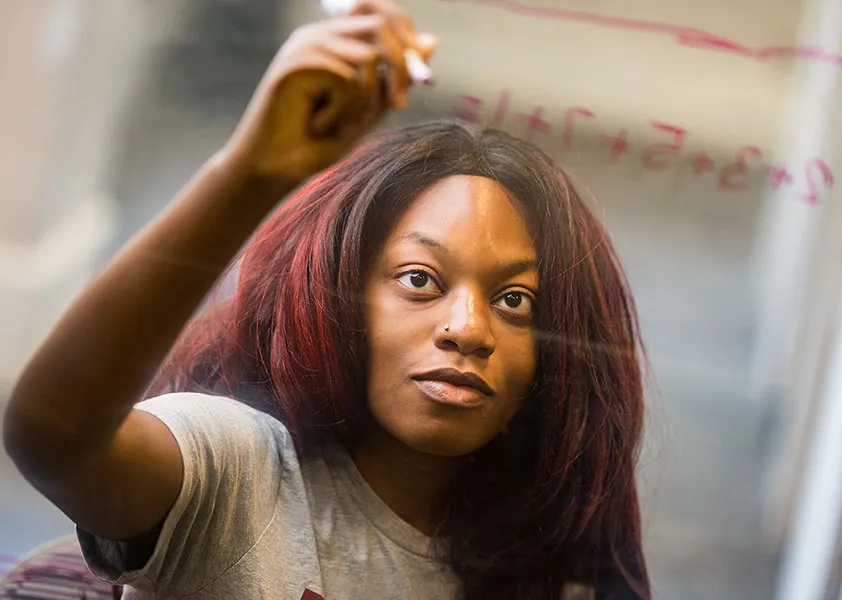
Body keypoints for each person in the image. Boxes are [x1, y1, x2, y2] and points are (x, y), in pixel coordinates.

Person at [3, 1, 651, 598]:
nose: (466, 328)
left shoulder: (548, 569)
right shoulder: (239, 474)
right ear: (338, 305)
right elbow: (53, 437)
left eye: (513, 300)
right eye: (420, 280)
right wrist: (250, 172)